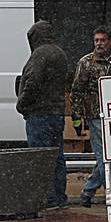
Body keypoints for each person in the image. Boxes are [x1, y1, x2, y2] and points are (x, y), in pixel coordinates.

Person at [71, 25, 111, 206]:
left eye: (103, 40)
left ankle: (88, 192)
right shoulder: (86, 63)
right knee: (105, 154)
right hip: (95, 114)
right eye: (96, 40)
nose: (99, 44)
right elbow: (76, 91)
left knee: (107, 155)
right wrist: (77, 116)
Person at [16, 21, 72, 209]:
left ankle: (46, 199)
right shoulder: (60, 53)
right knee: (57, 157)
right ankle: (59, 198)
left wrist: (22, 103)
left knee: (39, 158)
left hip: (39, 114)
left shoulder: (40, 54)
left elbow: (32, 82)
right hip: (56, 114)